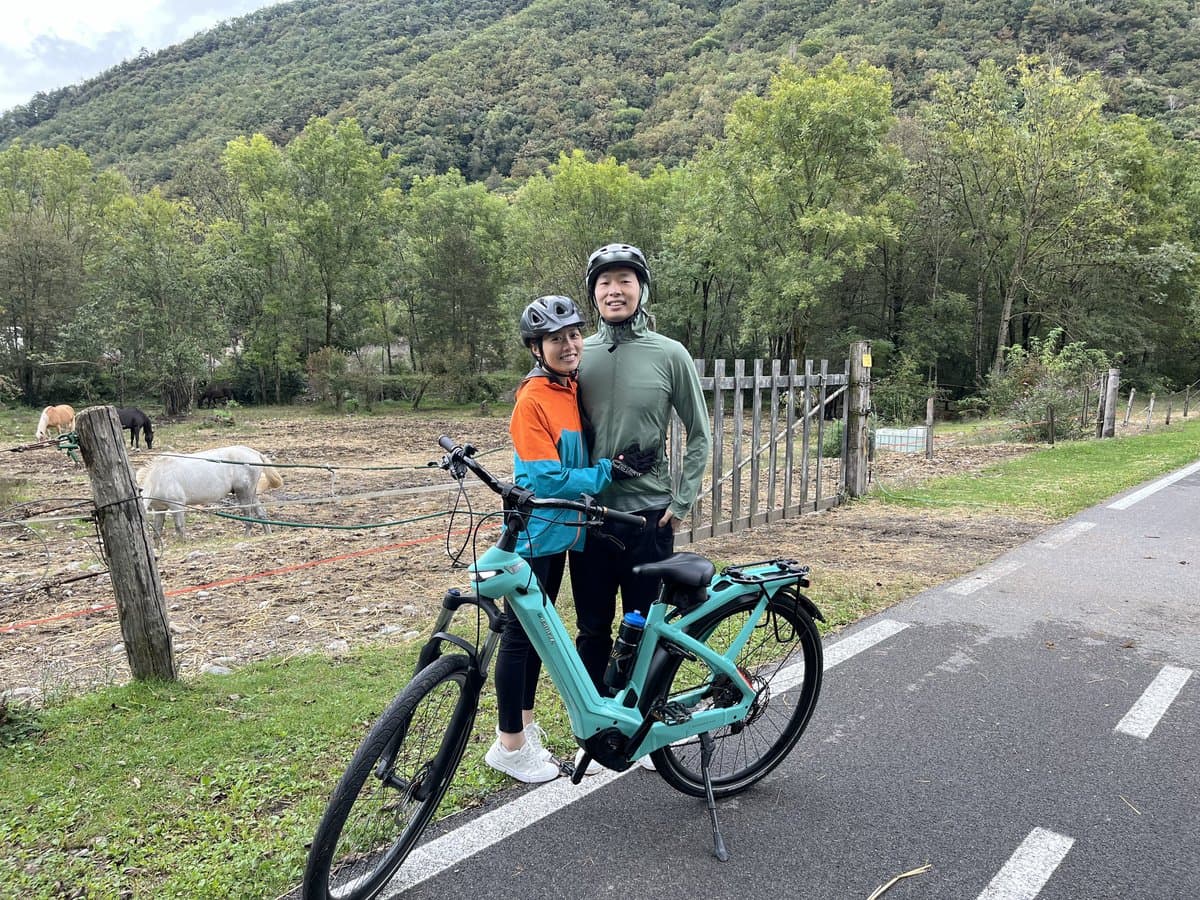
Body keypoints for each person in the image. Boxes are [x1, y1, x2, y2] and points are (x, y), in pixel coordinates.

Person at [484, 295, 654, 783]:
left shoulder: (568, 389)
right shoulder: (533, 400)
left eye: (575, 334)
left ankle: (525, 731)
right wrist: (609, 471)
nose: (570, 344)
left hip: (562, 533)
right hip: (536, 532)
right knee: (520, 637)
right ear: (537, 348)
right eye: (556, 339)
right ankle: (510, 744)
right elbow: (547, 481)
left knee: (539, 633)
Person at [570, 243, 712, 772]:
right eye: (604, 282)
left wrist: (682, 500)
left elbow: (700, 433)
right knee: (591, 629)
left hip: (649, 518)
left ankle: (643, 726)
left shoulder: (669, 353)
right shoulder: (578, 354)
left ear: (641, 289)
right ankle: (593, 727)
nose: (614, 290)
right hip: (590, 518)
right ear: (594, 294)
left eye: (625, 280)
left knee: (648, 626)